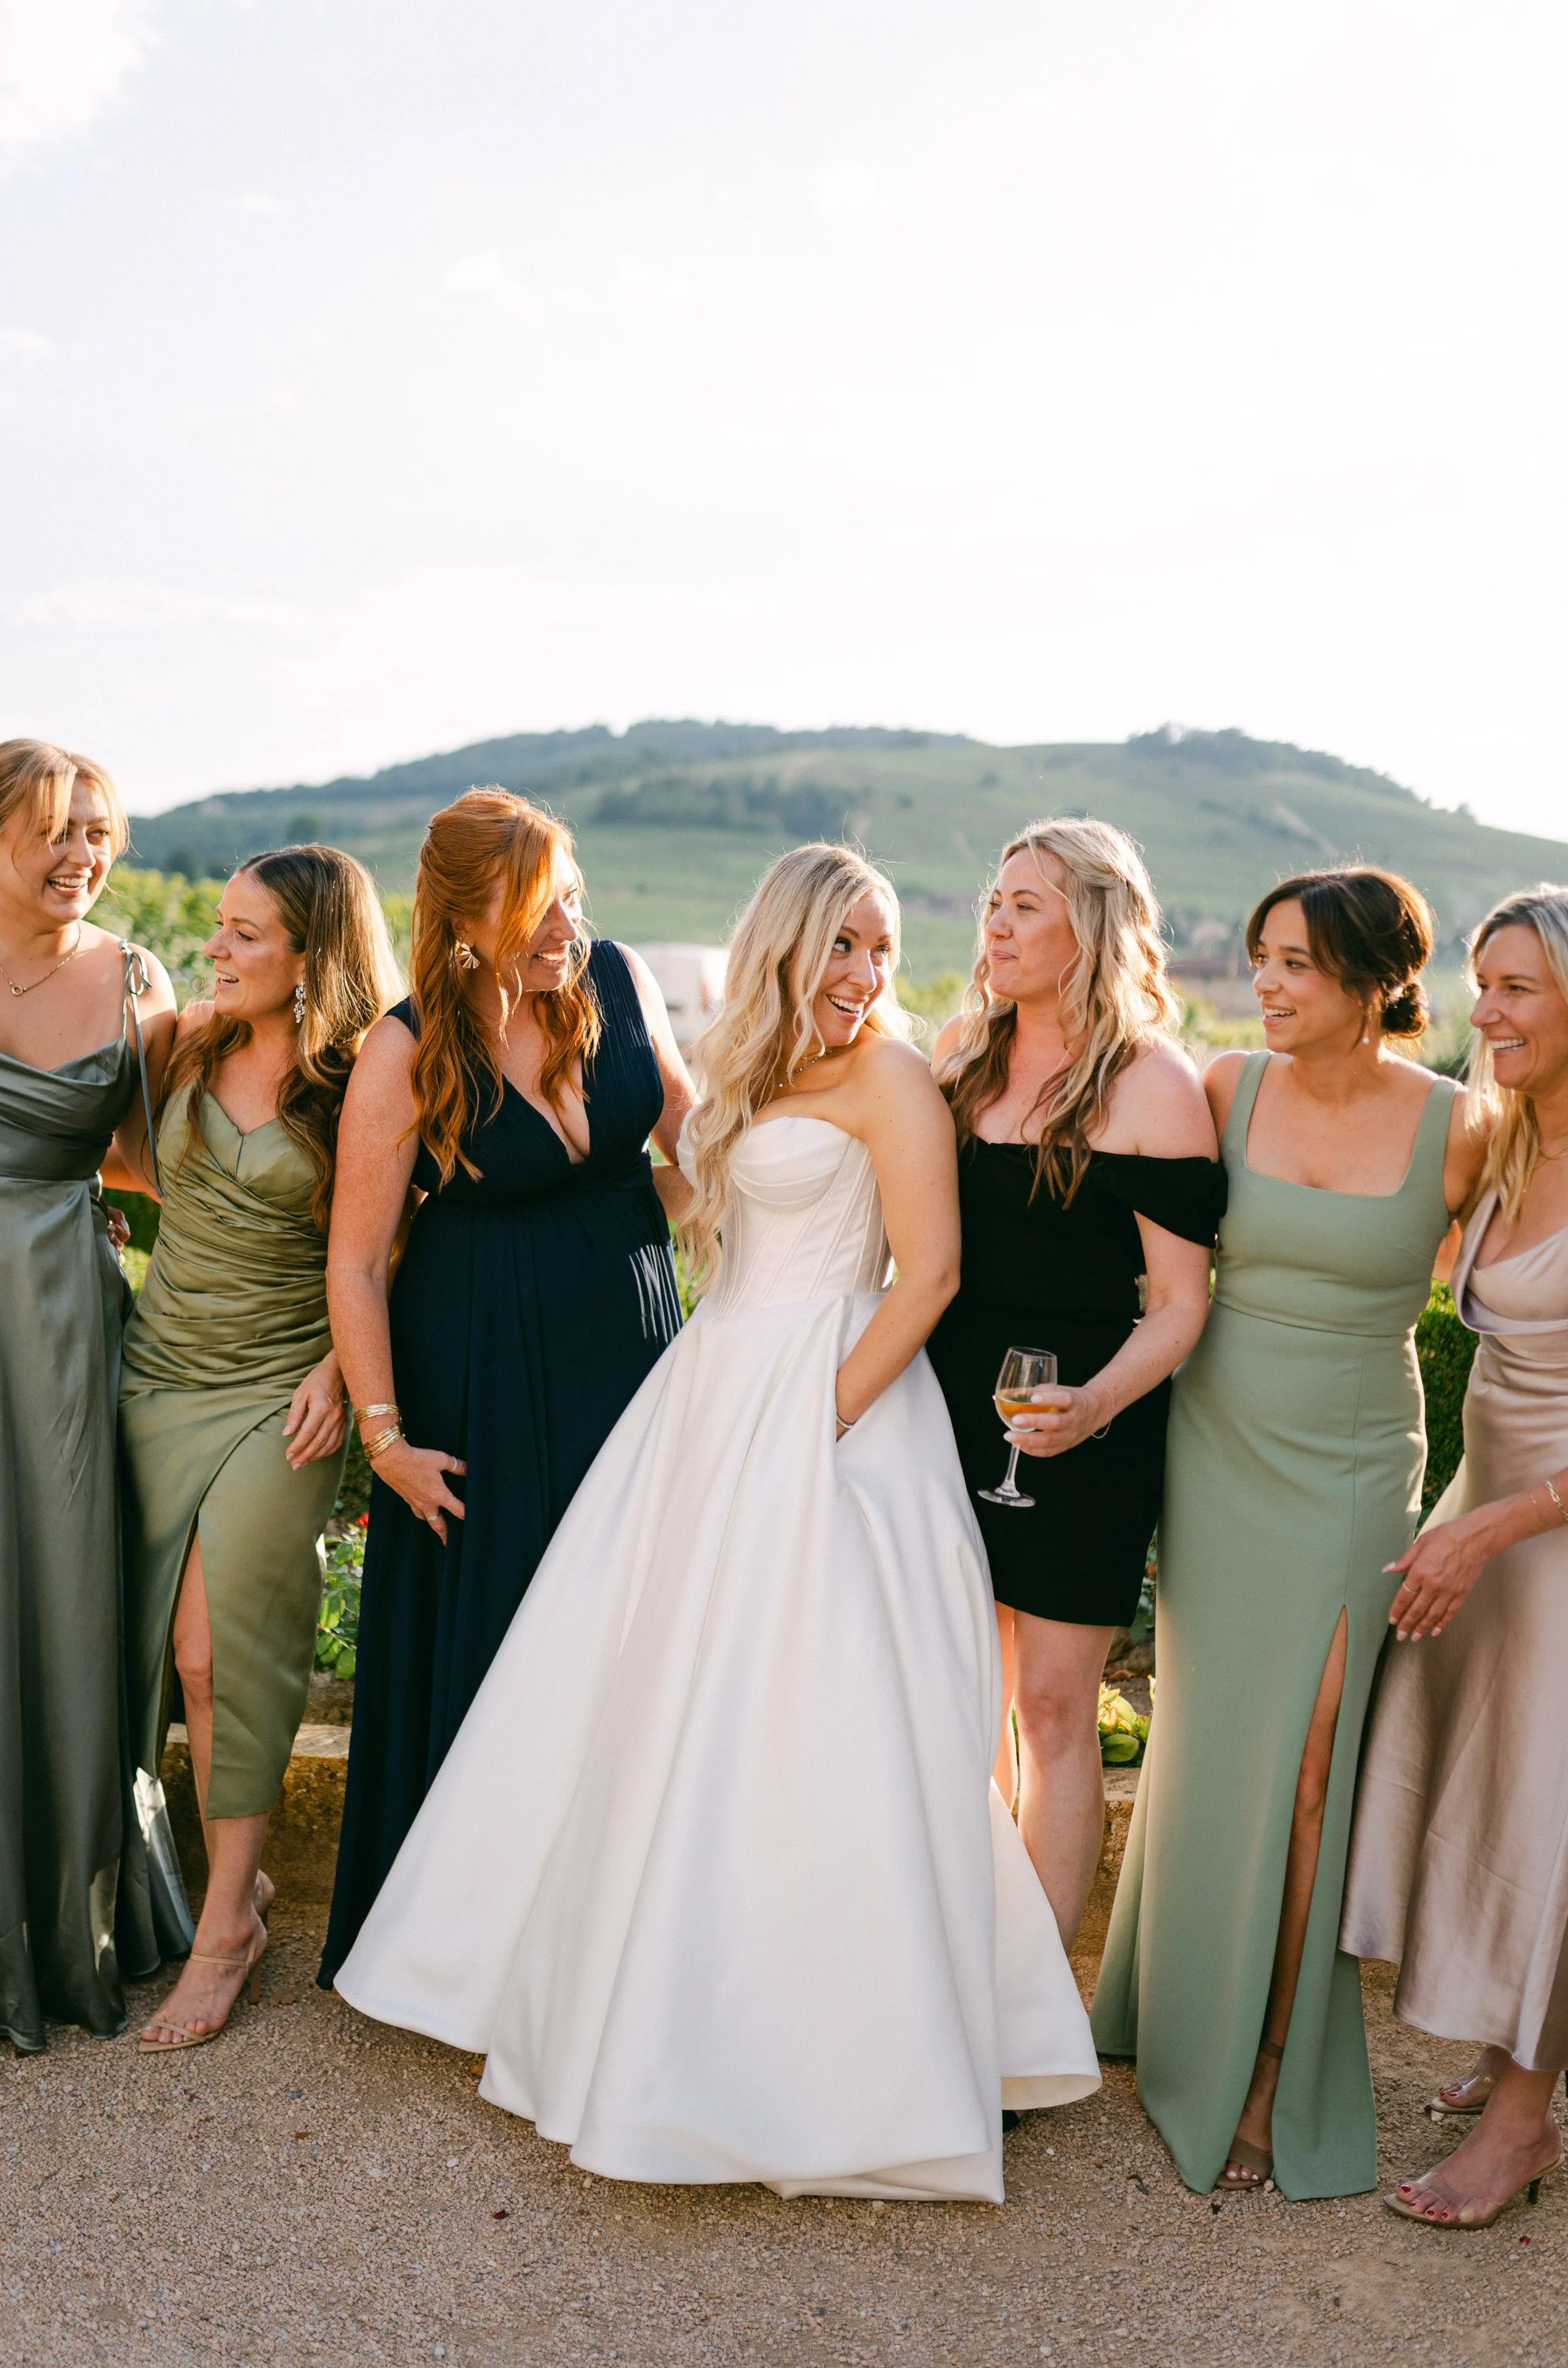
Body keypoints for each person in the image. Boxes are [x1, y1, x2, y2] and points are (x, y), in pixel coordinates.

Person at [334, 842, 1099, 2200]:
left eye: (882, 947)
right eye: (843, 944)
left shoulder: (893, 1076)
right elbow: (686, 1195)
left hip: (837, 1406)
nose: (865, 972)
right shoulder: (748, 1070)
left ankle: (852, 2052)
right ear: (785, 945)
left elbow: (927, 1278)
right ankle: (632, 2004)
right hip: (708, 1386)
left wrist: (820, 1420)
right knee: (648, 1690)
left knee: (817, 1706)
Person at [1092, 867, 1482, 2200]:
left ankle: (1269, 2063)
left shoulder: (1460, 1127)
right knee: (1207, 1729)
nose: (1262, 982)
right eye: (1261, 956)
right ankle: (1165, 2004)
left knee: (1314, 1757)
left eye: (1295, 963)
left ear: (1375, 982)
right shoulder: (1222, 1089)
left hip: (1357, 1466)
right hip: (1215, 1454)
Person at [317, 789, 693, 1988]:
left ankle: (619, 1927)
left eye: (572, 899)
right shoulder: (407, 1047)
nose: (566, 931)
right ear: (464, 923)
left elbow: (698, 1150)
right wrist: (385, 1441)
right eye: (536, 913)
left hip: (635, 1349)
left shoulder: (620, 982)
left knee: (632, 1626)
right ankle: (481, 1950)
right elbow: (358, 1260)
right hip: (481, 1370)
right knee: (510, 1630)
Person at [123, 846, 401, 2051]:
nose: (217, 948)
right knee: (164, 1659)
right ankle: (237, 1876)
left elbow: (394, 1248)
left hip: (283, 1393)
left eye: (245, 933)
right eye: (220, 927)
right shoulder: (182, 1042)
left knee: (216, 1647)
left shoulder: (364, 1079)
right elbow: (110, 1157)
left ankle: (226, 1928)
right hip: (155, 1376)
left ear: (310, 956)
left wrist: (341, 1368)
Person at [928, 819, 1221, 1948]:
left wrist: (1094, 1404)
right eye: (994, 903)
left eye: (1026, 907)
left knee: (1053, 1709)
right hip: (947, 1410)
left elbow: (1182, 1302)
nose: (996, 926)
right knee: (967, 1698)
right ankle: (964, 1950)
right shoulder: (962, 1051)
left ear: (1092, 927)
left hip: (1089, 1425)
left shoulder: (1154, 1084)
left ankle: (1037, 1989)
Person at [1343, 886, 1568, 2228]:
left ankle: (1523, 2124)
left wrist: (1495, 1524)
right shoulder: (1507, 1136)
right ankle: (1509, 2041)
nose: (1484, 1011)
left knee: (1551, 1813)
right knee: (1492, 1793)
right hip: (1486, 1503)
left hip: (1555, 1531)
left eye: (1517, 987)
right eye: (1483, 983)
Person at [0, 736, 182, 2053]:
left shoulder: (136, 980)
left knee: (64, 1589)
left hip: (61, 1318)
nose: (84, 857)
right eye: (57, 829)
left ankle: (69, 1918)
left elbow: (152, 1164)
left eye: (99, 833)